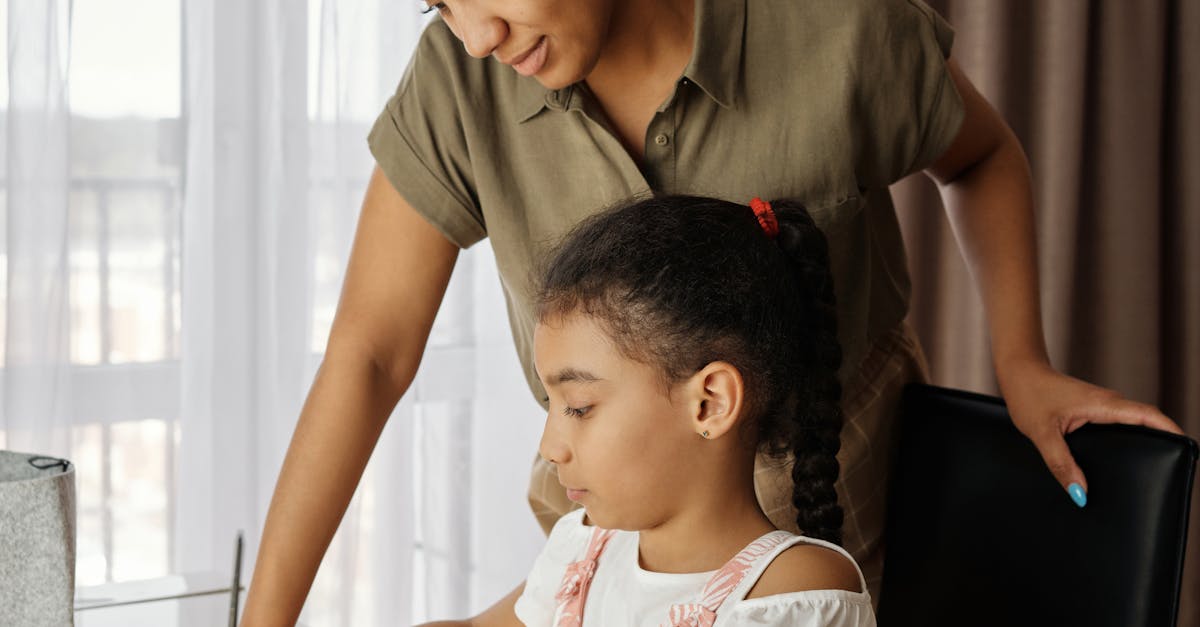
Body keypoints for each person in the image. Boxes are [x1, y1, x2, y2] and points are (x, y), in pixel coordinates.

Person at [240, 0, 1186, 624]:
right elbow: (368, 354)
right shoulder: (587, 551)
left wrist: (1021, 359)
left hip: (851, 493)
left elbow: (976, 153)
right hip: (626, 527)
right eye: (441, 1)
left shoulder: (833, 24)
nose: (476, 34)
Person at [425, 194, 876, 627]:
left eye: (579, 408)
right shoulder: (585, 550)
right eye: (551, 403)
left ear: (709, 403)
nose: (550, 448)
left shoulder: (791, 595)